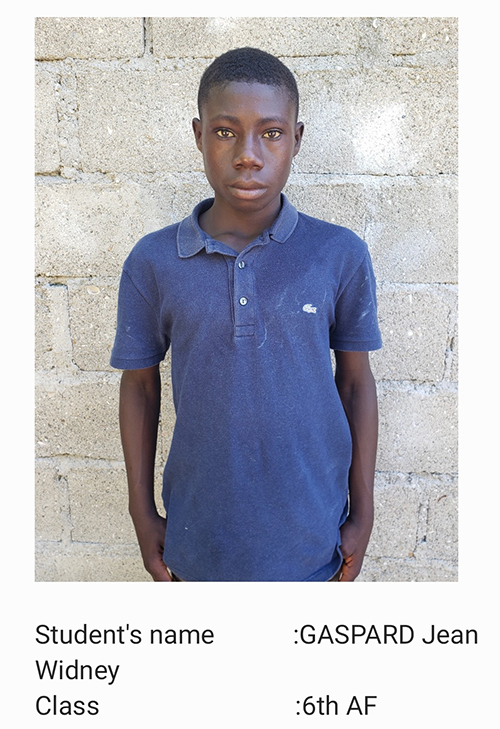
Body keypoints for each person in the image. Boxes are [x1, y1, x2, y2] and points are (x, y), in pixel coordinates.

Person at [110, 47, 382, 582]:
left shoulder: (338, 254)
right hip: (197, 545)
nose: (249, 155)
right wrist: (142, 515)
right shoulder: (154, 261)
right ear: (198, 134)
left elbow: (354, 385)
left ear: (297, 138)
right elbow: (140, 389)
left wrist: (364, 512)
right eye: (226, 131)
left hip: (313, 543)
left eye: (272, 133)